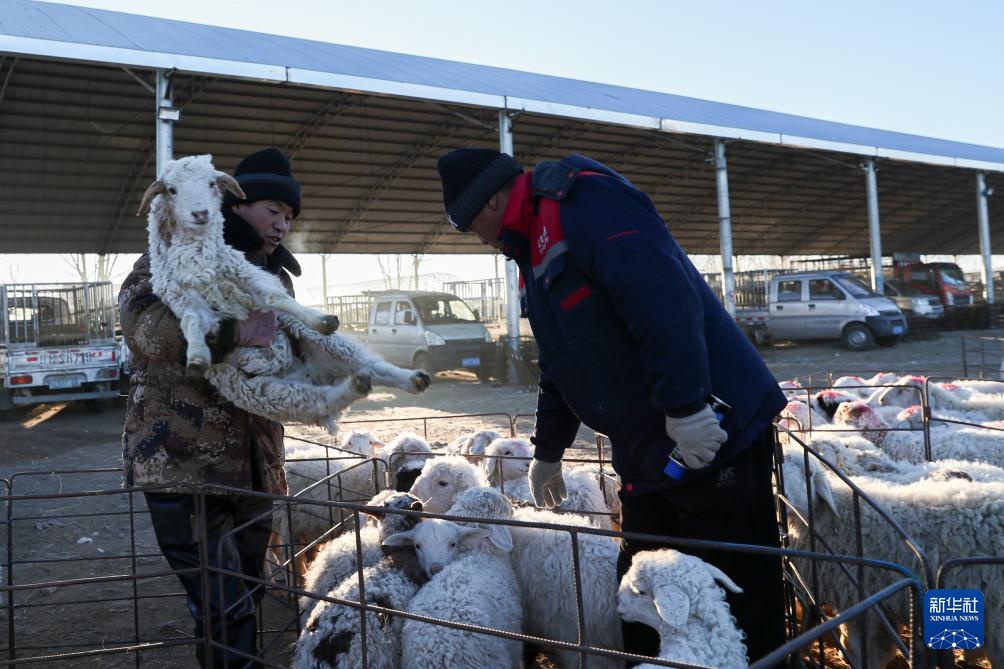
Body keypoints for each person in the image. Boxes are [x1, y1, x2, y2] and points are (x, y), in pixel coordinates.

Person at [436, 148, 788, 664]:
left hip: (712, 432)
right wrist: (548, 451)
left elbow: (663, 299)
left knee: (732, 589)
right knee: (642, 590)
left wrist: (686, 406)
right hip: (646, 450)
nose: (478, 237)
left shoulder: (584, 204)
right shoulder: (530, 256)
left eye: (472, 223)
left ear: (492, 198)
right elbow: (559, 361)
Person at [119, 147, 303, 669]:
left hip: (255, 466)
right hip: (183, 463)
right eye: (274, 211)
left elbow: (287, 351)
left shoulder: (275, 278)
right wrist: (229, 333)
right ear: (235, 202)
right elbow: (143, 328)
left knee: (242, 597)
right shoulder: (170, 251)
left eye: (290, 217)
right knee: (226, 605)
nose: (283, 225)